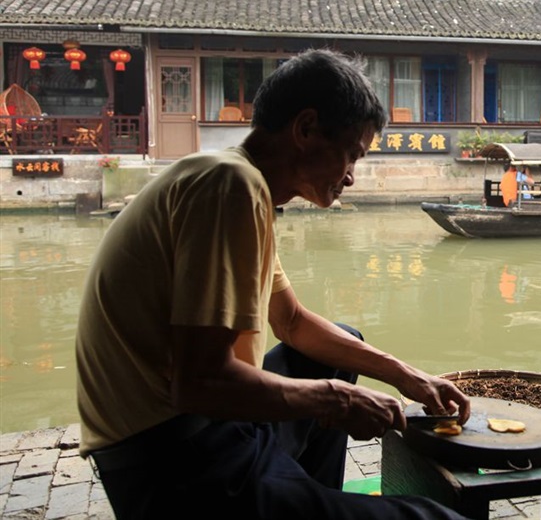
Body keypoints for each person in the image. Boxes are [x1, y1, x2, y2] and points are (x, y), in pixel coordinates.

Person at [75, 49, 472, 520]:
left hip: (209, 428)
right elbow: (199, 382)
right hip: (175, 462)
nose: (350, 176)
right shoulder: (229, 186)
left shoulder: (233, 178)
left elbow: (292, 322)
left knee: (338, 346)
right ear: (305, 129)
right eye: (351, 154)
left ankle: (304, 497)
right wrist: (338, 397)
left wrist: (407, 376)